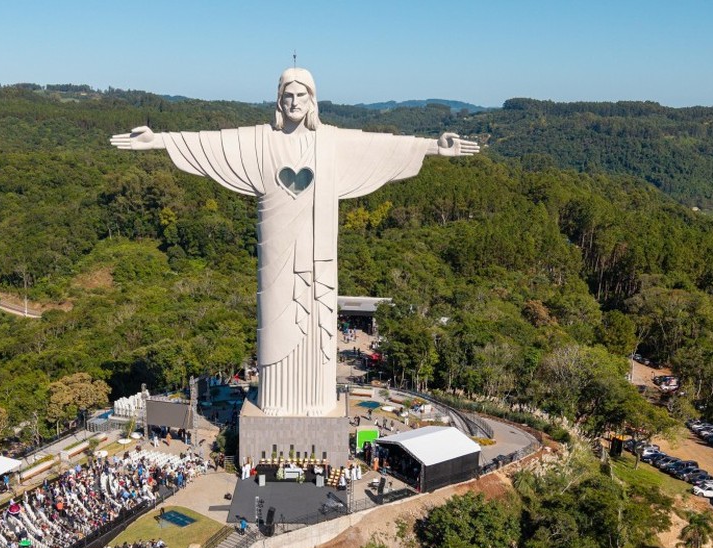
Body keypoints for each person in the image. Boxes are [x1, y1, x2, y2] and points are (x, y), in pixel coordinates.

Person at [114, 80, 476, 419]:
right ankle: (274, 398)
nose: (294, 103)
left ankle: (318, 399)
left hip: (320, 256)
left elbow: (380, 146)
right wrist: (158, 140)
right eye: (287, 95)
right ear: (277, 100)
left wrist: (433, 147)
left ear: (313, 100)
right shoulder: (259, 140)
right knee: (275, 323)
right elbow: (211, 142)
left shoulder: (331, 142)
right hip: (275, 257)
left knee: (318, 327)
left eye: (301, 95)